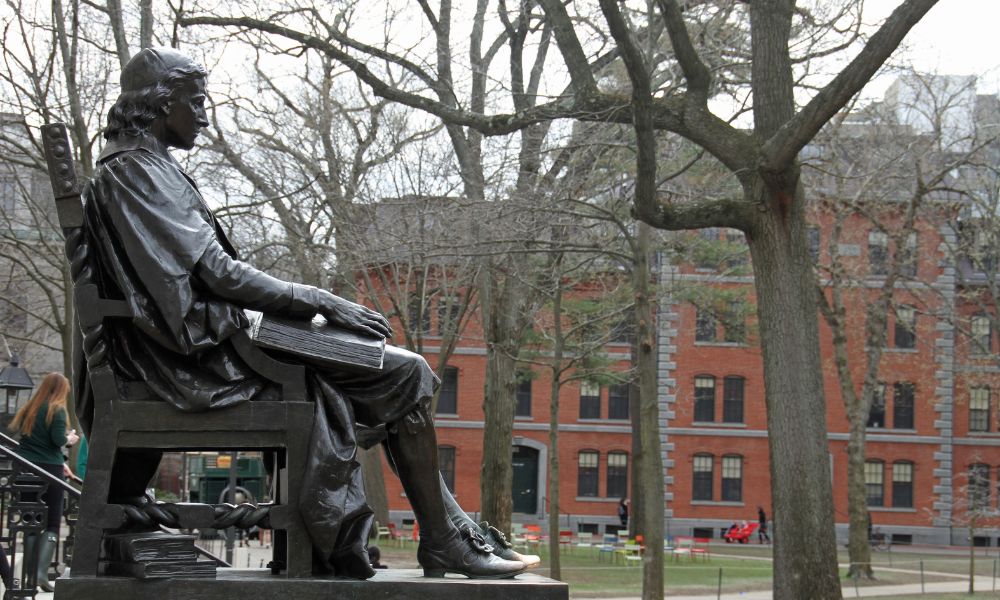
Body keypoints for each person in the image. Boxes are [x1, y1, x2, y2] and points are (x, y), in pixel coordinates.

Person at [76, 47, 533, 580]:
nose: (203, 115)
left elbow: (209, 274)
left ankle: (452, 533)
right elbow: (219, 274)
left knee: (396, 371)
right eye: (196, 101)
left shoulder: (141, 169)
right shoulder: (137, 172)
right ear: (159, 103)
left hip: (209, 341)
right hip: (195, 356)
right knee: (406, 371)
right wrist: (321, 300)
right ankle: (445, 539)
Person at [10, 372, 80, 591]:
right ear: (61, 390)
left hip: (26, 469)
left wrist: (62, 461)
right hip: (49, 471)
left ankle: (29, 574)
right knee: (51, 522)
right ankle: (41, 574)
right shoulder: (57, 410)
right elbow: (57, 440)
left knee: (31, 519)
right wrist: (70, 439)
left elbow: (32, 442)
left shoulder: (29, 408)